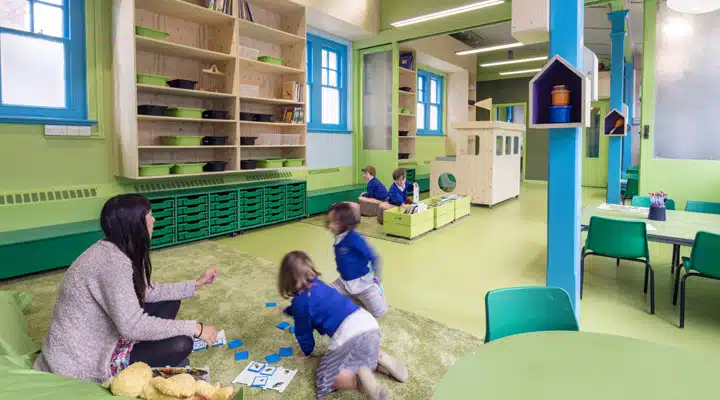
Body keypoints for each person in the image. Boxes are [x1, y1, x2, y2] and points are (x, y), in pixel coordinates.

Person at [34, 194, 220, 383]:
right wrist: (195, 328)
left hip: (96, 338)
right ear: (135, 225)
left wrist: (195, 284)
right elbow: (132, 326)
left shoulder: (111, 249)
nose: (154, 219)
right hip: (83, 364)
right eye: (149, 215)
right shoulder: (113, 263)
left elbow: (144, 292)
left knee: (169, 302)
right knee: (181, 344)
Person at [278, 251, 407, 400]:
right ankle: (377, 359)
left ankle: (358, 382)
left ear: (286, 280)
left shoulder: (300, 303)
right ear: (311, 269)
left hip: (349, 333)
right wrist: (288, 310)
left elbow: (303, 332)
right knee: (361, 354)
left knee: (324, 378)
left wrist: (306, 352)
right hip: (368, 322)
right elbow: (308, 307)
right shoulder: (320, 285)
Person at [327, 202, 386, 318]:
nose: (330, 226)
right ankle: (352, 295)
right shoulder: (339, 237)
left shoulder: (354, 238)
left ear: (345, 223)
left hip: (364, 283)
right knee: (326, 296)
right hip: (344, 282)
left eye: (335, 223)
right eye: (329, 222)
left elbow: (374, 256)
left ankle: (377, 288)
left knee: (379, 313)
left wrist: (376, 276)